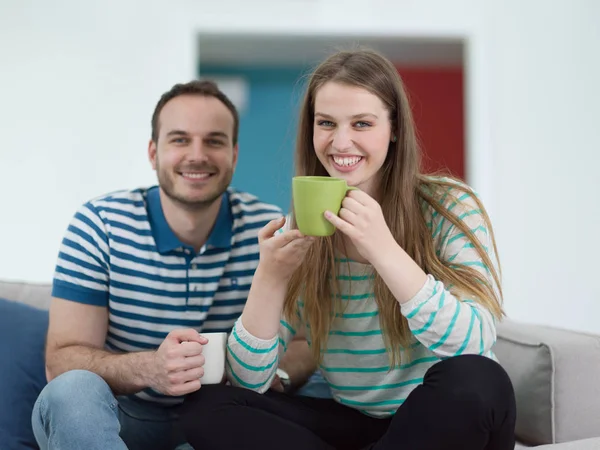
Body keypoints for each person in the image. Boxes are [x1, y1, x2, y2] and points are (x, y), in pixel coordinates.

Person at [179, 49, 517, 450]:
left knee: (479, 380)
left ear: (394, 129)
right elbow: (251, 379)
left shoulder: (450, 205)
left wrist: (384, 250)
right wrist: (269, 276)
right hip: (358, 422)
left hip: (436, 416)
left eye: (362, 123)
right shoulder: (305, 228)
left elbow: (474, 341)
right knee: (207, 407)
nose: (341, 142)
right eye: (326, 123)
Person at [31, 80, 316, 450]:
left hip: (220, 419)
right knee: (71, 390)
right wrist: (150, 368)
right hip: (118, 418)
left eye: (214, 141)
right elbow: (62, 360)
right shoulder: (99, 225)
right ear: (153, 153)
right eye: (180, 139)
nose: (197, 155)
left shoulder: (269, 229)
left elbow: (306, 342)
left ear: (234, 154)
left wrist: (276, 372)